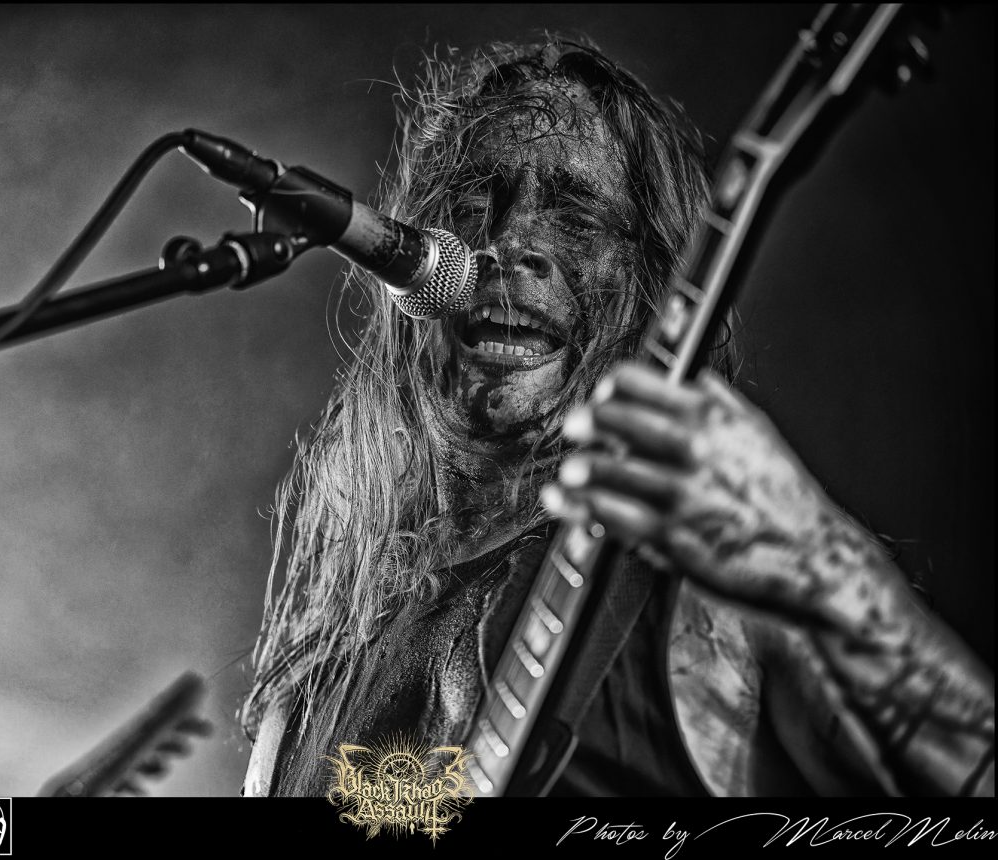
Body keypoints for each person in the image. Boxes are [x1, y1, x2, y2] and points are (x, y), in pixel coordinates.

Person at [238, 37, 994, 797]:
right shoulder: (304, 699)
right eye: (475, 202)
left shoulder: (711, 593)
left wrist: (825, 566)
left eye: (574, 213)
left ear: (649, 286)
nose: (510, 244)